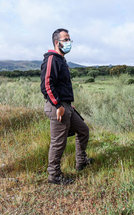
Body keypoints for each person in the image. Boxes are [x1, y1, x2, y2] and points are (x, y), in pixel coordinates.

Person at [40, 28, 94, 185]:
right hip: (57, 107)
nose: (69, 42)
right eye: (66, 39)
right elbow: (46, 85)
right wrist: (58, 104)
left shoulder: (61, 59)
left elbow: (60, 85)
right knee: (58, 142)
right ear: (57, 42)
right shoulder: (51, 59)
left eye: (70, 39)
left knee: (83, 130)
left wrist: (68, 103)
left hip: (66, 105)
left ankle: (81, 161)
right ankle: (54, 175)